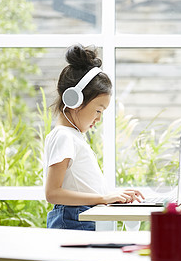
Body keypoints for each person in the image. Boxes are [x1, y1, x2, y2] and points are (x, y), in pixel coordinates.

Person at [44, 44, 144, 232]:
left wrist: (110, 195)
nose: (98, 118)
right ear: (74, 100)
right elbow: (53, 193)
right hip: (73, 220)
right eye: (98, 110)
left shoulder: (72, 136)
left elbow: (80, 185)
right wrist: (103, 198)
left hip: (79, 217)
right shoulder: (64, 136)